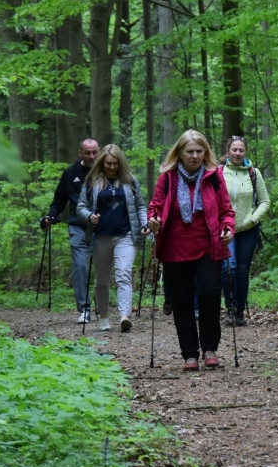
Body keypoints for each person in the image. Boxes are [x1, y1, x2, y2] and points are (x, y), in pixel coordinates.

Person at [147, 130, 234, 371]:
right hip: (174, 248)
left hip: (208, 246)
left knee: (210, 292)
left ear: (205, 153)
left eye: (199, 151)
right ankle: (190, 354)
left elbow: (226, 211)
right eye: (190, 152)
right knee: (182, 301)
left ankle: (210, 348)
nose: (195, 156)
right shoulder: (168, 178)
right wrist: (153, 220)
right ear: (180, 153)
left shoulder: (214, 176)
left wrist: (228, 228)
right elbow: (155, 207)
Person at [76, 145, 148, 332]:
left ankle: (124, 316)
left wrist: (145, 224)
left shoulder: (130, 181)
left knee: (123, 274)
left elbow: (140, 206)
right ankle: (104, 316)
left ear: (120, 163)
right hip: (101, 237)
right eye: (108, 163)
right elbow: (81, 206)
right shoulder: (92, 182)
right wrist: (89, 216)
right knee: (102, 280)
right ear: (102, 163)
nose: (112, 167)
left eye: (115, 163)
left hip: (126, 235)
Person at [41, 138, 100, 324]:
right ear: (80, 153)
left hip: (103, 227)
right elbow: (59, 198)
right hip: (78, 226)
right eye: (88, 153)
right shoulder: (70, 173)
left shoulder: (106, 170)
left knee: (101, 269)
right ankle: (84, 309)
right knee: (81, 266)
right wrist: (51, 216)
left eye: (94, 152)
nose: (92, 156)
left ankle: (102, 307)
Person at [219, 135, 271, 326]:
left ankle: (240, 311)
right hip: (226, 230)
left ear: (245, 152)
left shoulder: (253, 173)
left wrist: (254, 218)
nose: (237, 153)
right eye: (234, 149)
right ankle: (230, 308)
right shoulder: (219, 172)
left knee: (242, 271)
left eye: (241, 150)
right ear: (228, 151)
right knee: (228, 268)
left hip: (248, 229)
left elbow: (265, 201)